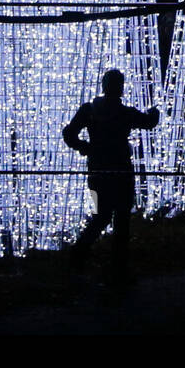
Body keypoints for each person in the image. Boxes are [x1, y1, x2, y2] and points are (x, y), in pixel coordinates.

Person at [63, 69, 159, 278]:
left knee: (101, 216)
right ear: (120, 88)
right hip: (121, 171)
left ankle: (79, 256)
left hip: (97, 171)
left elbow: (68, 133)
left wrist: (85, 147)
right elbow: (149, 122)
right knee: (121, 218)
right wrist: (155, 111)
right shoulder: (124, 113)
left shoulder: (90, 109)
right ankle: (117, 266)